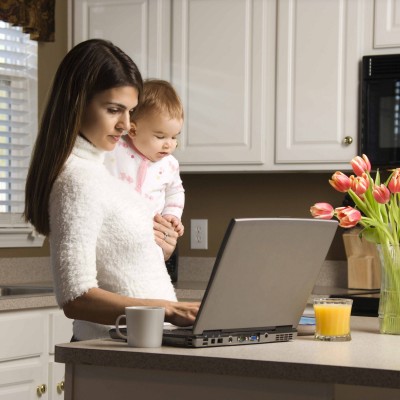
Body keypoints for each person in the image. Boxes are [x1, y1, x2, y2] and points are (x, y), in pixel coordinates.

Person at [24, 39, 199, 341]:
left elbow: (119, 259)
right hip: (111, 352)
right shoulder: (77, 179)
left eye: (130, 111)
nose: (125, 125)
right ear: (76, 103)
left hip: (141, 348)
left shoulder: (103, 172)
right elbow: (76, 297)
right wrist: (170, 310)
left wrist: (158, 248)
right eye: (114, 110)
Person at [104, 79, 185, 237]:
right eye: (160, 137)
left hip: (150, 235)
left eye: (174, 137)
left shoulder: (170, 164)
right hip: (115, 230)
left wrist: (172, 214)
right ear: (133, 131)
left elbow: (175, 192)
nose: (169, 144)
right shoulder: (114, 149)